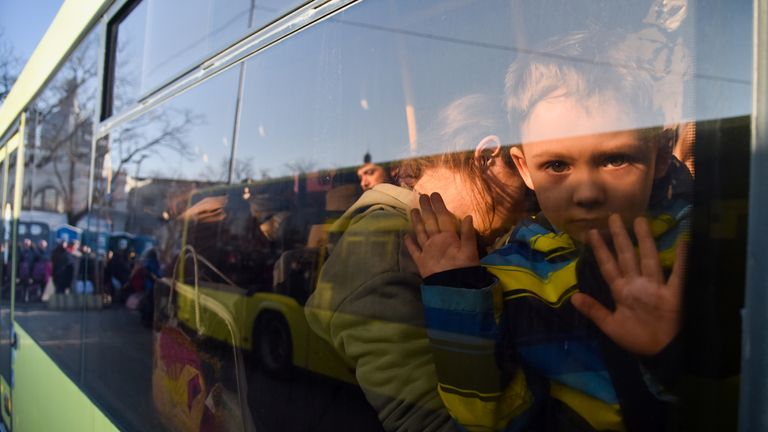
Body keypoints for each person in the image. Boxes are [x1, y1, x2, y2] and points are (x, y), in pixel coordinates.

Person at [406, 30, 692, 431]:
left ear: (660, 157)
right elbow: (487, 417)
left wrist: (671, 353)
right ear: (524, 169)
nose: (588, 192)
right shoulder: (508, 276)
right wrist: (458, 291)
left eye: (615, 159)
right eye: (557, 166)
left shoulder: (693, 246)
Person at [305, 94, 530, 432]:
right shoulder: (384, 248)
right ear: (488, 158)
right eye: (526, 191)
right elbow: (431, 424)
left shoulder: (446, 239)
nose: (527, 208)